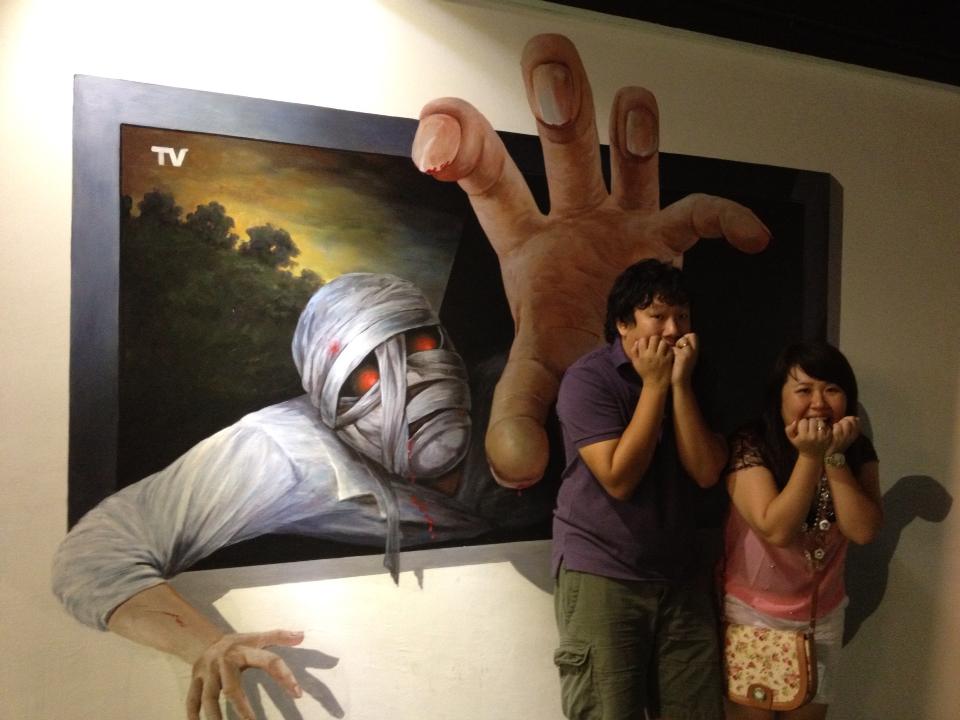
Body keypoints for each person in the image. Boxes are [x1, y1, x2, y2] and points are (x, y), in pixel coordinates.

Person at [551, 259, 727, 720]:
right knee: (608, 710)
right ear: (623, 323)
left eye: (682, 316)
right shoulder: (588, 379)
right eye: (658, 316)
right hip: (603, 570)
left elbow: (706, 472)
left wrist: (680, 386)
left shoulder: (696, 373)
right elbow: (618, 477)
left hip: (680, 573)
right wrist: (653, 385)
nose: (673, 330)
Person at [722, 341, 882, 720]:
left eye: (832, 389)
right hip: (754, 616)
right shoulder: (751, 442)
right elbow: (776, 529)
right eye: (804, 390)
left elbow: (863, 531)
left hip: (820, 619)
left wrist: (833, 456)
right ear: (779, 397)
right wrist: (810, 457)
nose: (819, 403)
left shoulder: (856, 449)